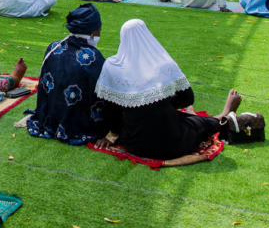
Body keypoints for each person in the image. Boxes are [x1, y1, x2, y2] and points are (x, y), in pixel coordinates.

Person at [94, 19, 243, 160]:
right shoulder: (163, 64)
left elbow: (111, 110)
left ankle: (187, 115)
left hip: (133, 143)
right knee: (197, 124)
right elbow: (187, 99)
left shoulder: (112, 65)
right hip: (172, 144)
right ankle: (223, 115)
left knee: (159, 115)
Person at [27, 4, 110, 144]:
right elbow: (102, 94)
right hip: (79, 123)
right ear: (92, 32)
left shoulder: (54, 47)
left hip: (50, 117)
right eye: (99, 30)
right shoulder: (93, 57)